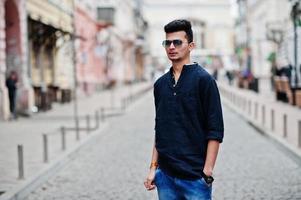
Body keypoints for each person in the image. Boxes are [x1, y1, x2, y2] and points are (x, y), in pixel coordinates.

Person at [144, 19, 224, 200]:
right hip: (165, 177)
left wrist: (207, 172)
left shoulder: (205, 81)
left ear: (191, 46)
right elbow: (160, 129)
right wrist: (153, 169)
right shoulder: (160, 85)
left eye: (177, 42)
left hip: (195, 178)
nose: (171, 47)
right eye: (167, 43)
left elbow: (215, 130)